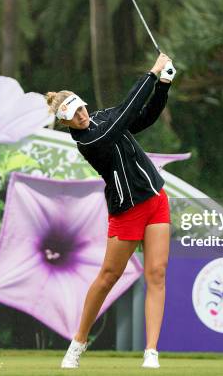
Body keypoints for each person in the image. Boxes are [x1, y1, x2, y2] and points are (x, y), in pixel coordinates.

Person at [45, 53, 176, 369]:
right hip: (127, 210)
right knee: (108, 276)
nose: (80, 115)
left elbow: (142, 117)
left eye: (80, 108)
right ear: (64, 123)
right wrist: (151, 73)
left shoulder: (102, 117)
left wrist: (163, 86)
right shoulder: (89, 141)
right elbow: (125, 114)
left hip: (155, 198)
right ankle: (78, 342)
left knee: (156, 273)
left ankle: (151, 352)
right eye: (72, 115)